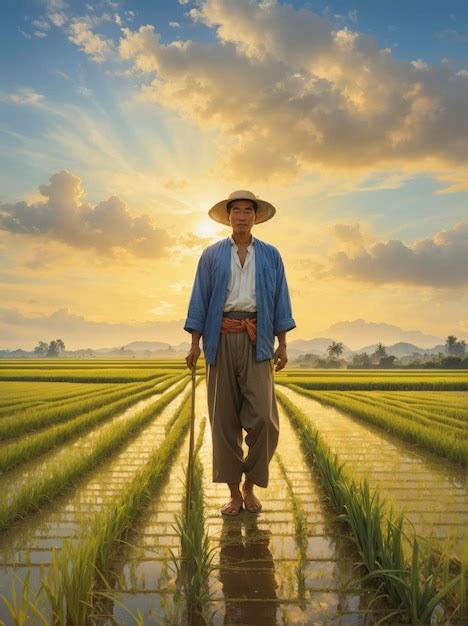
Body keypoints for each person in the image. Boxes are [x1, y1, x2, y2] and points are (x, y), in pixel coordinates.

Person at [184, 190, 296, 516]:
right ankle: (235, 494)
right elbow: (199, 300)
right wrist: (194, 344)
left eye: (249, 211)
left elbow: (280, 301)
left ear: (256, 217)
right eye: (237, 211)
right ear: (228, 216)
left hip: (257, 338)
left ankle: (250, 487)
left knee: (265, 419)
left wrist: (283, 343)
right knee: (224, 421)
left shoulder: (271, 256)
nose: (243, 216)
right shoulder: (211, 256)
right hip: (220, 339)